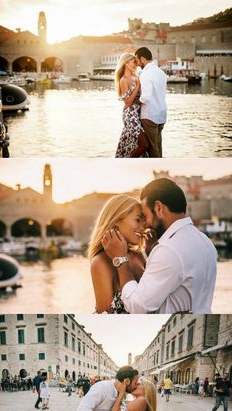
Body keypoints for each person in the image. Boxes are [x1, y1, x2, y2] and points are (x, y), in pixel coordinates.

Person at [102, 178, 217, 314]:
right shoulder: (205, 242)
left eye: (144, 216)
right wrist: (151, 254)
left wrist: (120, 259)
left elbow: (137, 306)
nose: (145, 225)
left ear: (159, 208)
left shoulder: (169, 249)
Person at [88, 194, 154, 313]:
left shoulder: (139, 254)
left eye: (144, 222)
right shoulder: (100, 262)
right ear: (117, 220)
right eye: (138, 220)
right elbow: (106, 315)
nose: (143, 227)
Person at [115, 53, 149, 158]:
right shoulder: (123, 80)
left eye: (136, 61)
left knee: (134, 143)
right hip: (130, 115)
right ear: (126, 63)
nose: (135, 64)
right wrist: (137, 86)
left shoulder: (136, 77)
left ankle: (131, 165)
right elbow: (128, 102)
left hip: (138, 113)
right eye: (133, 62)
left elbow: (140, 97)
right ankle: (127, 162)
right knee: (144, 144)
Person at [135, 47, 167, 157]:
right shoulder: (161, 72)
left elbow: (146, 97)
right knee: (158, 144)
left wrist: (137, 102)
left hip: (150, 115)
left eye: (137, 60)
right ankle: (161, 169)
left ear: (142, 59)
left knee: (152, 147)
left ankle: (156, 171)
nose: (137, 63)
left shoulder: (145, 74)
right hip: (161, 113)